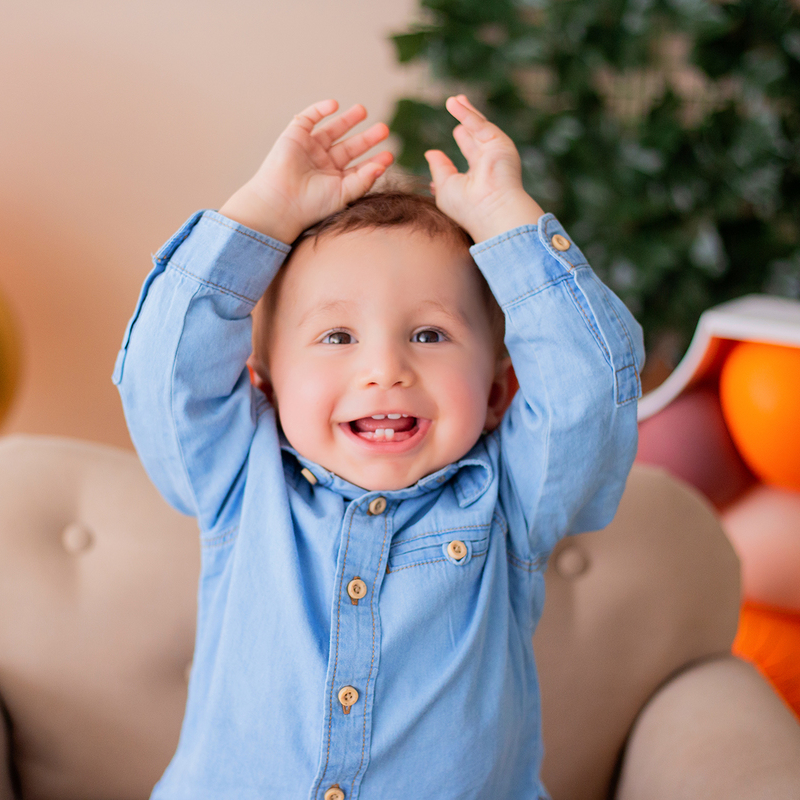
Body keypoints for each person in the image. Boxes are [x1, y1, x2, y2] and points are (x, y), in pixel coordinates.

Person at [114, 95, 644, 800]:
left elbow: (587, 391)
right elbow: (162, 374)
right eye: (337, 337)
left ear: (496, 393)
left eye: (429, 334)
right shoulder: (239, 479)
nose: (384, 368)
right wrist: (263, 213)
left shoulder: (512, 499)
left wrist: (506, 223)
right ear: (263, 386)